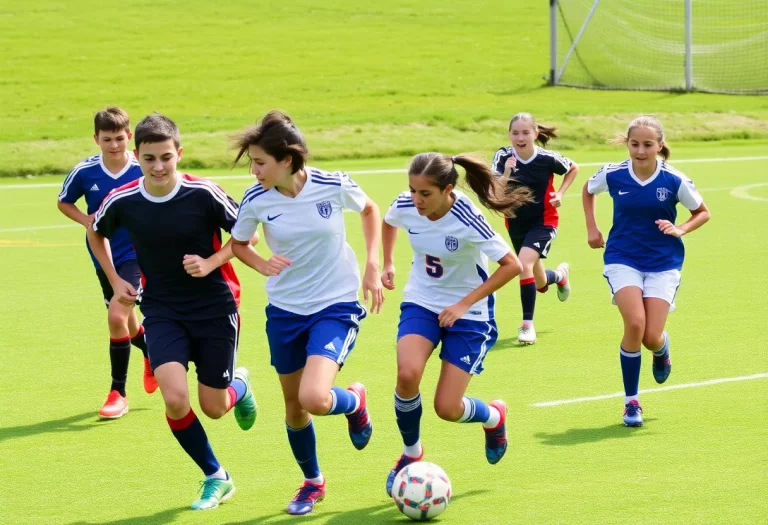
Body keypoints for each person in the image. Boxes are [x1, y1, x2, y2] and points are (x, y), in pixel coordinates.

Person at [87, 114, 258, 510]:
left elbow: (245, 233)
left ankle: (241, 385)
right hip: (162, 309)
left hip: (216, 307)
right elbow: (94, 230)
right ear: (137, 156)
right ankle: (216, 476)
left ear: (179, 153)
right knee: (176, 399)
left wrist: (212, 261)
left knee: (214, 408)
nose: (159, 166)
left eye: (166, 157)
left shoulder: (204, 194)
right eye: (149, 159)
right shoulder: (124, 199)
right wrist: (114, 280)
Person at [230, 110, 383, 516]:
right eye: (252, 162)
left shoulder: (330, 184)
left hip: (335, 304)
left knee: (314, 397)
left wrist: (372, 263)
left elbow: (369, 210)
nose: (254, 170)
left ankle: (351, 403)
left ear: (287, 160)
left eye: (260, 162)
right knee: (294, 407)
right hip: (284, 311)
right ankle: (313, 482)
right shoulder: (255, 199)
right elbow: (240, 243)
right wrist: (261, 264)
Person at [380, 152, 529, 497]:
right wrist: (387, 262)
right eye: (412, 191)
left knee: (446, 408)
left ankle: (493, 417)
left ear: (448, 190)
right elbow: (389, 220)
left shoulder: (466, 216)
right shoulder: (407, 204)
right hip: (422, 300)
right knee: (407, 374)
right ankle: (411, 454)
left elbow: (511, 266)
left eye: (425, 194)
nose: (415, 200)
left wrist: (463, 304)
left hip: (469, 315)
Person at [582, 115, 710, 427]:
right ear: (627, 144)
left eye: (648, 144)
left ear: (660, 146)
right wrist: (592, 228)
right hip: (622, 257)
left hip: (663, 263)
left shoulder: (674, 180)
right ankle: (631, 402)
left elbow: (702, 213)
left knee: (651, 336)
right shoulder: (613, 174)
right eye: (635, 144)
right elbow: (588, 190)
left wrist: (679, 229)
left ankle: (661, 348)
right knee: (635, 325)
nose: (640, 150)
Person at [57, 106, 156, 419]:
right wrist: (87, 220)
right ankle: (153, 353)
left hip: (136, 255)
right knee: (127, 322)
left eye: (119, 138)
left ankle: (119, 392)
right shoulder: (85, 172)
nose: (114, 145)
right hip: (102, 254)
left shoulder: (143, 168)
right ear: (96, 139)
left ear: (129, 137)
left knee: (116, 316)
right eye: (107, 139)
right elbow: (64, 201)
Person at [492, 113, 579, 344]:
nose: (520, 138)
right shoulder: (502, 156)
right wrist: (508, 172)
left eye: (525, 132)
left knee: (523, 265)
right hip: (515, 223)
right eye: (515, 133)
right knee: (539, 283)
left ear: (535, 134)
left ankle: (526, 326)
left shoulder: (546, 158)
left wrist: (559, 193)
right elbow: (495, 191)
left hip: (544, 221)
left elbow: (573, 168)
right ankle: (559, 276)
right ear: (509, 134)